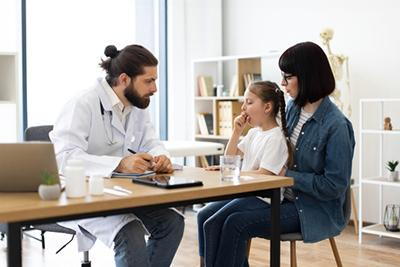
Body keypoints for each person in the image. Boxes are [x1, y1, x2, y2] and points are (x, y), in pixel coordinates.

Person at [198, 41, 355, 267]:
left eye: (288, 77)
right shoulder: (291, 109)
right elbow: (268, 141)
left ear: (308, 76)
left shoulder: (337, 126)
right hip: (275, 196)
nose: (283, 84)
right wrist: (234, 164)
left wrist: (286, 174)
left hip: (310, 209)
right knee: (206, 217)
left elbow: (334, 186)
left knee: (234, 223)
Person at [50, 44, 184, 267]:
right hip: (84, 195)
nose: (155, 88)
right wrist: (120, 164)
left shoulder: (136, 105)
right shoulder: (82, 103)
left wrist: (160, 156)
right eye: (149, 81)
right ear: (124, 79)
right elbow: (63, 157)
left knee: (172, 222)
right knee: (129, 232)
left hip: (121, 191)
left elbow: (150, 141)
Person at [197, 80, 293, 267]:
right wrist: (236, 131)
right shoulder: (254, 134)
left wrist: (235, 171)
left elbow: (264, 175)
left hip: (262, 198)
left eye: (249, 102)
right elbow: (230, 158)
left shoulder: (276, 138)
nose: (243, 108)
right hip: (246, 193)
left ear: (267, 107)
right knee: (203, 215)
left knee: (214, 223)